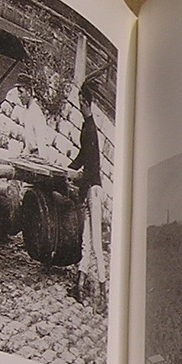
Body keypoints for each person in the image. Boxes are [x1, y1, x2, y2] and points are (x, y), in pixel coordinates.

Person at [69, 81, 107, 307]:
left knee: (95, 245)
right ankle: (80, 287)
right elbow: (82, 157)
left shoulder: (90, 129)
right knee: (86, 241)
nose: (78, 106)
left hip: (93, 189)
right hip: (91, 188)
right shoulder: (88, 126)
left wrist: (82, 192)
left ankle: (104, 294)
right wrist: (67, 169)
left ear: (85, 102)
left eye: (79, 102)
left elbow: (91, 166)